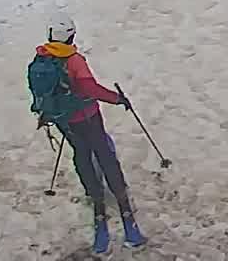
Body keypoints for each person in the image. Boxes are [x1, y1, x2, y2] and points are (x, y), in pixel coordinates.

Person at [29, 19, 143, 253]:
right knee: (103, 153)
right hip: (86, 116)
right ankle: (121, 198)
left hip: (62, 119)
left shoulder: (41, 58)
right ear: (71, 36)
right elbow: (90, 89)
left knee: (81, 153)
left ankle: (94, 194)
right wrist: (117, 98)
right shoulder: (74, 60)